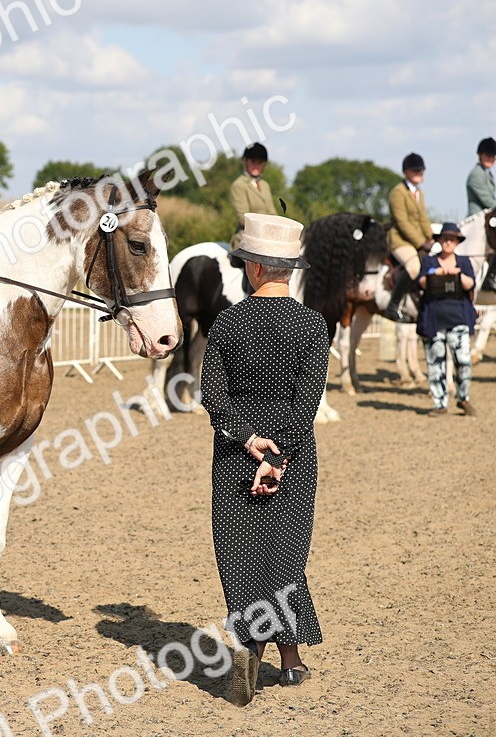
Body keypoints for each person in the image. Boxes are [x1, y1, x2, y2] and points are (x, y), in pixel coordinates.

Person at [201, 213, 329, 706]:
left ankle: (250, 646)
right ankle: (291, 662)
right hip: (294, 456)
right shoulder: (312, 325)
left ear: (253, 267)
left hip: (235, 456)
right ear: (290, 269)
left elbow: (213, 396)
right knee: (285, 555)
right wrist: (279, 457)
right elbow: (307, 402)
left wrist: (251, 442)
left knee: (239, 557)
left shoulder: (227, 323)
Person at [416, 223, 478, 416]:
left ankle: (463, 398)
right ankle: (439, 403)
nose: (448, 242)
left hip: (458, 318)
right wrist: (436, 273)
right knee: (435, 363)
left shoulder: (464, 262)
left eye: (452, 239)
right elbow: (422, 281)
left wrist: (457, 274)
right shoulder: (429, 262)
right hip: (434, 319)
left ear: (457, 242)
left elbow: (471, 284)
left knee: (463, 362)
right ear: (439, 240)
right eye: (445, 238)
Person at [384, 152, 434, 322]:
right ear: (405, 172)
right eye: (415, 171)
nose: (419, 173)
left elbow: (423, 218)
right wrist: (421, 243)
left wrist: (432, 238)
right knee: (413, 267)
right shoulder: (397, 193)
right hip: (400, 240)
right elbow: (402, 222)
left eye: (421, 170)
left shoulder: (419, 193)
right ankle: (392, 305)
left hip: (418, 241)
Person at [229, 143, 277, 253]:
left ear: (264, 164)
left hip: (267, 239)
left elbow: (272, 213)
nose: (256, 165)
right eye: (252, 161)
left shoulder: (265, 185)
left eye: (259, 162)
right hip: (247, 239)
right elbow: (243, 218)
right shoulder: (239, 185)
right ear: (245, 161)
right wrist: (267, 228)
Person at [466, 137, 496, 218]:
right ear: (480, 155)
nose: (490, 158)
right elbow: (488, 201)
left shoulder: (486, 173)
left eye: (492, 155)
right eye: (487, 155)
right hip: (477, 220)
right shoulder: (476, 175)